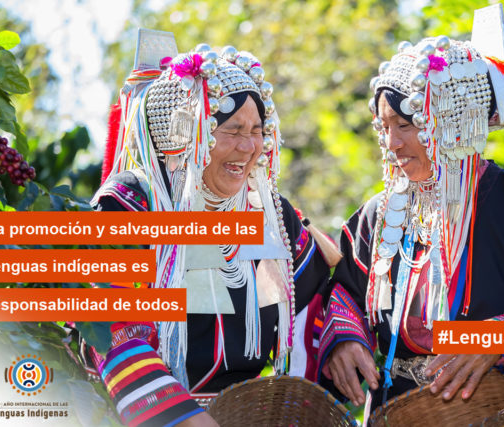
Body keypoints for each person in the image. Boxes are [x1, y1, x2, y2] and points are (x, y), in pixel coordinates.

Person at [316, 11, 504, 422]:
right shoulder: (378, 216)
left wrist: (498, 338)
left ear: (453, 121)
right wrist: (346, 340)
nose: (392, 143)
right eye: (383, 127)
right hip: (398, 413)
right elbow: (344, 293)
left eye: (405, 125)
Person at [89, 32, 331, 427]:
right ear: (186, 134)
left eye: (256, 131)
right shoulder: (131, 204)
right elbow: (109, 322)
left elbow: (311, 304)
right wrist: (184, 417)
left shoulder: (269, 215)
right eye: (232, 130)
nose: (248, 147)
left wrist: (342, 347)